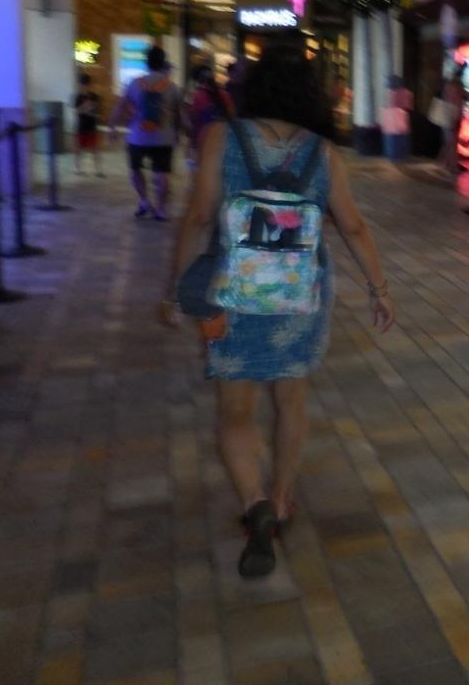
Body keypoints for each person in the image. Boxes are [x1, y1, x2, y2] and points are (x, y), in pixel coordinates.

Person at [162, 45, 395, 579]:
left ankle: (254, 502)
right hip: (300, 296)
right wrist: (379, 288)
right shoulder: (324, 153)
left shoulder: (221, 138)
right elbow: (353, 225)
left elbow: (199, 218)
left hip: (232, 296)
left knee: (235, 411)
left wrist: (174, 290)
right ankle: (283, 498)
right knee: (292, 401)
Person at [110, 45, 183, 220]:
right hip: (164, 137)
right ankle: (161, 209)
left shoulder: (135, 83)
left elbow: (120, 107)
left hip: (138, 137)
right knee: (162, 173)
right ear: (163, 62)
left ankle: (144, 201)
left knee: (135, 169)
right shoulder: (172, 86)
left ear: (146, 62)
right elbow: (179, 113)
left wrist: (112, 127)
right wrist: (178, 132)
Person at [186, 64, 234, 161]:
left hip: (204, 143)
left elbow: (192, 123)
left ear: (197, 80)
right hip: (223, 141)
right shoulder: (225, 95)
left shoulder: (196, 97)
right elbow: (232, 116)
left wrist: (190, 145)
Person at [436, 65, 467, 174]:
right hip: (453, 116)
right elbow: (459, 101)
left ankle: (444, 163)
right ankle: (451, 166)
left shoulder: (448, 85)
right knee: (452, 142)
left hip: (447, 115)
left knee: (448, 142)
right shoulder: (457, 86)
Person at [72, 73, 104, 176]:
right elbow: (75, 111)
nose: (85, 87)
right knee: (78, 149)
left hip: (92, 125)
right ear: (80, 85)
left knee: (95, 149)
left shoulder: (94, 96)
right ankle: (77, 168)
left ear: (90, 85)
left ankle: (97, 170)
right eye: (83, 85)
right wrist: (85, 106)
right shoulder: (77, 97)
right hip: (81, 126)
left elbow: (97, 112)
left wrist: (93, 110)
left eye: (86, 85)